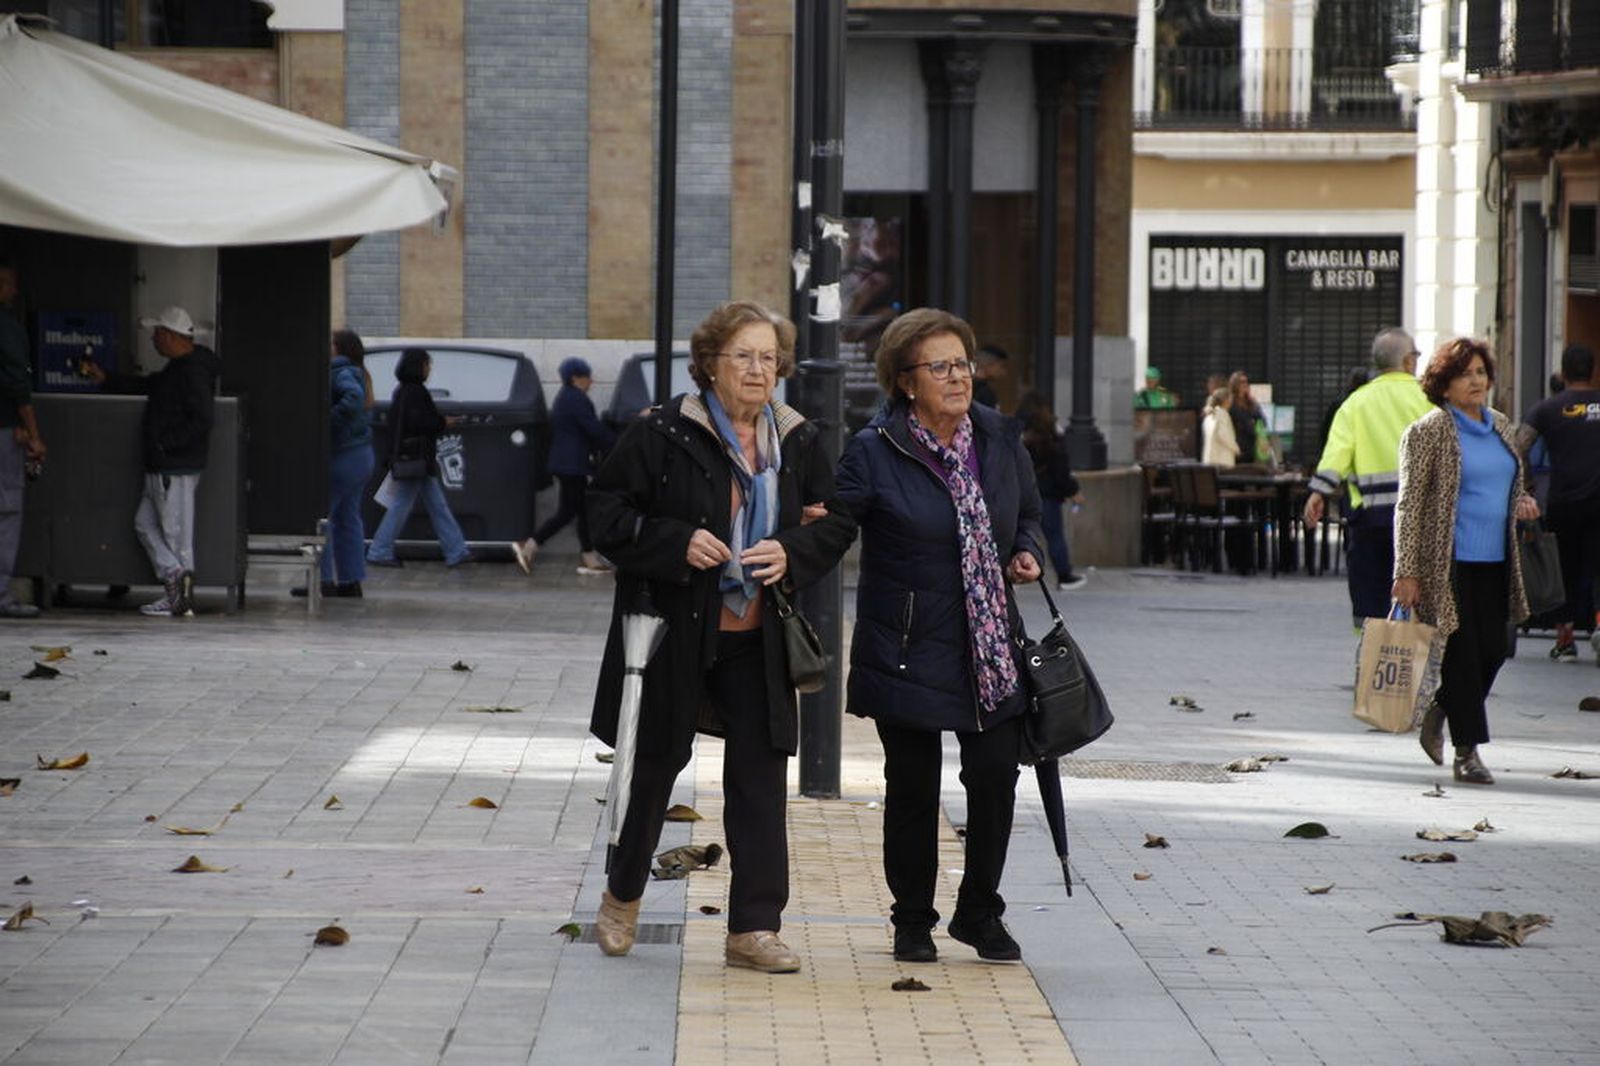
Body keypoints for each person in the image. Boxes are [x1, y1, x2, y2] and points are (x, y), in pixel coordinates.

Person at [585, 301, 854, 974]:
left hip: (758, 635)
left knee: (760, 781)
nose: (760, 369)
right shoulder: (663, 432)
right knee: (653, 770)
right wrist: (676, 540)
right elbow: (605, 514)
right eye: (744, 356)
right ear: (709, 364)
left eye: (769, 357)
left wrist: (792, 550)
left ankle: (753, 929)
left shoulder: (796, 439)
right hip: (674, 631)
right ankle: (622, 895)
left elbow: (836, 522)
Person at [835, 307, 1045, 965]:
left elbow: (1029, 515)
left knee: (994, 778)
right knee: (913, 787)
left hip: (990, 644)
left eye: (963, 363)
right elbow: (835, 524)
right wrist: (793, 545)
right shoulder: (876, 450)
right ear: (905, 382)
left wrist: (1026, 549)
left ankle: (979, 912)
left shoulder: (999, 438)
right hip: (908, 645)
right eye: (941, 367)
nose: (959, 377)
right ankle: (912, 920)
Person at [1393, 338, 1538, 785]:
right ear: (1444, 384)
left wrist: (1523, 501)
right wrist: (1406, 572)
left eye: (1480, 372)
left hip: (1498, 558)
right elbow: (1409, 504)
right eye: (1464, 374)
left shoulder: (1500, 425)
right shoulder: (1427, 431)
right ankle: (1467, 754)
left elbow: (1510, 482)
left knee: (1495, 648)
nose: (1475, 381)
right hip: (1447, 565)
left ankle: (1442, 707)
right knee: (1463, 654)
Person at [82, 306, 220, 618]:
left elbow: (202, 418)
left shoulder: (190, 371)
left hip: (172, 465)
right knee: (147, 524)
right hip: (168, 464)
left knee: (174, 532)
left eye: (158, 333)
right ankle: (175, 580)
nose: (155, 340)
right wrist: (108, 379)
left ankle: (179, 596)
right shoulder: (183, 369)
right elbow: (149, 386)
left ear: (172, 337)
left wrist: (165, 444)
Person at [1304, 329, 1433, 628]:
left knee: (1371, 605)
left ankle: (1375, 661)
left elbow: (1337, 452)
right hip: (1420, 521)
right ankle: (1411, 662)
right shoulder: (1428, 399)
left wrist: (1318, 492)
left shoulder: (1355, 403)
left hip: (1370, 519)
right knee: (1418, 605)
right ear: (1408, 361)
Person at [1519, 344, 1600, 663]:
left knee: (1562, 570)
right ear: (1593, 371)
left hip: (1563, 504)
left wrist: (1526, 484)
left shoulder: (1547, 409)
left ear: (1563, 373)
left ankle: (1565, 640)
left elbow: (1518, 445)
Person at [365, 348, 472, 568]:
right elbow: (420, 423)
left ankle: (456, 550)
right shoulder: (416, 392)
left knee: (436, 505)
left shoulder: (403, 391)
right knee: (404, 505)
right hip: (415, 460)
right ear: (418, 366)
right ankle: (379, 550)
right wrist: (444, 423)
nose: (429, 368)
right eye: (427, 364)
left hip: (412, 460)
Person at [511, 356, 616, 576]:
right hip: (572, 464)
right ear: (576, 378)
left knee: (580, 510)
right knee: (569, 512)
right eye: (588, 377)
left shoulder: (566, 397)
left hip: (568, 463)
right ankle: (530, 545)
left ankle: (588, 555)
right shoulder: (576, 399)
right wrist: (619, 442)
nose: (592, 382)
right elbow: (593, 429)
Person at [296, 330, 373, 598]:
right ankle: (351, 580)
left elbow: (351, 400)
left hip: (342, 455)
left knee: (321, 518)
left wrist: (326, 419)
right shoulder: (358, 371)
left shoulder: (340, 372)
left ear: (337, 348)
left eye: (329, 342)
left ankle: (323, 579)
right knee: (348, 518)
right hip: (361, 455)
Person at [0, 260, 45, 619]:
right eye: (9, 285)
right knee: (7, 510)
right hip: (3, 432)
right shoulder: (7, 327)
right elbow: (17, 381)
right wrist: (32, 431)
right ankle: (0, 593)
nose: (14, 292)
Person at [1016, 390, 1086, 590]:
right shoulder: (1051, 432)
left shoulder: (1014, 431)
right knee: (1054, 535)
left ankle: (1012, 570)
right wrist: (1072, 490)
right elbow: (1060, 468)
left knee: (1016, 533)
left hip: (1019, 492)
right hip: (1046, 493)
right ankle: (1064, 575)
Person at [1227, 371, 1265, 462]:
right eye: (1242, 382)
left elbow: (1262, 421)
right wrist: (1252, 424)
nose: (1245, 384)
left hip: (1252, 446)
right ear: (1235, 384)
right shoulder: (1231, 403)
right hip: (1238, 447)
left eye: (1246, 382)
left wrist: (1255, 404)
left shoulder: (1250, 403)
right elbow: (1246, 423)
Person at [1200, 387, 1238, 467]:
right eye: (1230, 399)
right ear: (1225, 400)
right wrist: (1235, 448)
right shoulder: (1222, 414)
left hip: (1210, 461)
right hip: (1222, 461)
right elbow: (1223, 435)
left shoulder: (1208, 416)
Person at [971, 344, 1008, 409]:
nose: (1003, 372)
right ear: (990, 364)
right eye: (1001, 366)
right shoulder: (986, 393)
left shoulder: (967, 387)